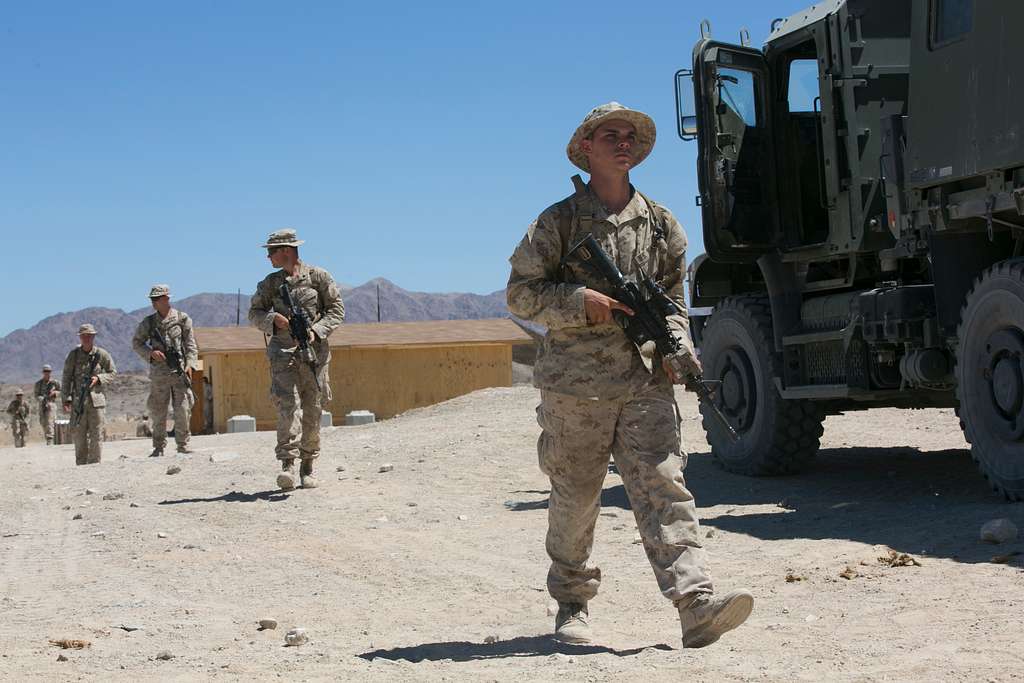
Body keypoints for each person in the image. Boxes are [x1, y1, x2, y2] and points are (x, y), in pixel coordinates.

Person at [506, 102, 753, 649]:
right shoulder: (558, 222)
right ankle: (571, 602)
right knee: (576, 498)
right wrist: (578, 302)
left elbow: (671, 304)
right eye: (609, 135)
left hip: (645, 385)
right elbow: (520, 293)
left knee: (665, 487)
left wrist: (680, 348)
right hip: (576, 389)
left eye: (629, 136)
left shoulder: (662, 224)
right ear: (587, 148)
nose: (622, 142)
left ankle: (696, 604)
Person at [248, 229, 344, 490]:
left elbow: (336, 310)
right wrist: (273, 320)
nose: (268, 257)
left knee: (313, 408)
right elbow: (254, 313)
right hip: (283, 354)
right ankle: (288, 465)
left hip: (315, 355)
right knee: (287, 406)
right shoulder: (269, 284)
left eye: (271, 252)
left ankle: (307, 465)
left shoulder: (319, 277)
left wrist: (316, 331)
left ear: (286, 251)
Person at [131, 284, 199, 457]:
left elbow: (191, 346)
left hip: (179, 372)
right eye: (152, 300)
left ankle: (183, 445)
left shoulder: (182, 319)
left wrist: (190, 365)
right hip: (159, 373)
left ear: (167, 299)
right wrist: (151, 354)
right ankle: (158, 447)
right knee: (158, 410)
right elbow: (137, 343)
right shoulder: (149, 323)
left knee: (183, 409)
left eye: (157, 299)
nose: (154, 303)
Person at [61, 323, 117, 465]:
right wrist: (66, 399)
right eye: (84, 336)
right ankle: (81, 465)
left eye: (89, 336)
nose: (87, 338)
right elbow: (66, 378)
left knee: (96, 434)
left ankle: (95, 464)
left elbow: (113, 373)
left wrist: (99, 378)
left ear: (93, 337)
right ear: (80, 337)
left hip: (97, 402)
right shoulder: (73, 355)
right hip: (78, 402)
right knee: (79, 435)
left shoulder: (101, 355)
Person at [33, 364, 61, 445]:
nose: (47, 373)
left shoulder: (55, 383)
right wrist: (41, 399)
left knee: (50, 422)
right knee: (43, 422)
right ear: (43, 372)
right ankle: (48, 437)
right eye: (45, 371)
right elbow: (36, 394)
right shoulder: (39, 384)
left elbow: (61, 391)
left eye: (48, 371)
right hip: (42, 404)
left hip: (51, 404)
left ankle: (50, 440)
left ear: (50, 372)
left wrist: (55, 393)